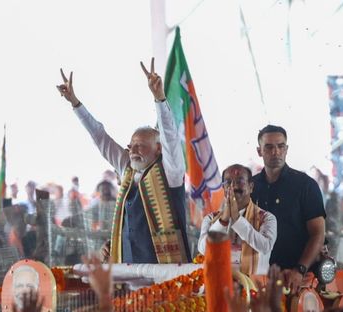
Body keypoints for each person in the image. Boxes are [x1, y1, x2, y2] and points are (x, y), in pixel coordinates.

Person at [57, 59, 190, 264]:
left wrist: (159, 99)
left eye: (140, 146)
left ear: (158, 149)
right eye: (131, 146)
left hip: (166, 271)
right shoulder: (127, 168)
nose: (132, 151)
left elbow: (170, 137)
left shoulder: (171, 172)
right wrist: (75, 103)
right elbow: (99, 137)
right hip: (128, 268)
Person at [251, 125, 326, 291]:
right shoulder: (251, 186)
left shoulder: (305, 185)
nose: (275, 152)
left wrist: (300, 269)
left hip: (299, 279)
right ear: (259, 151)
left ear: (286, 149)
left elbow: (318, 234)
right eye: (269, 147)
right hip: (259, 279)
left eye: (280, 146)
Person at [197, 164, 277, 276]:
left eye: (240, 181)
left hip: (254, 285)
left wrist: (237, 219)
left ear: (251, 187)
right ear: (223, 188)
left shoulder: (266, 218)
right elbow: (203, 248)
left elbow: (265, 247)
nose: (233, 186)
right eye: (228, 182)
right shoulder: (210, 219)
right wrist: (223, 221)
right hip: (220, 282)